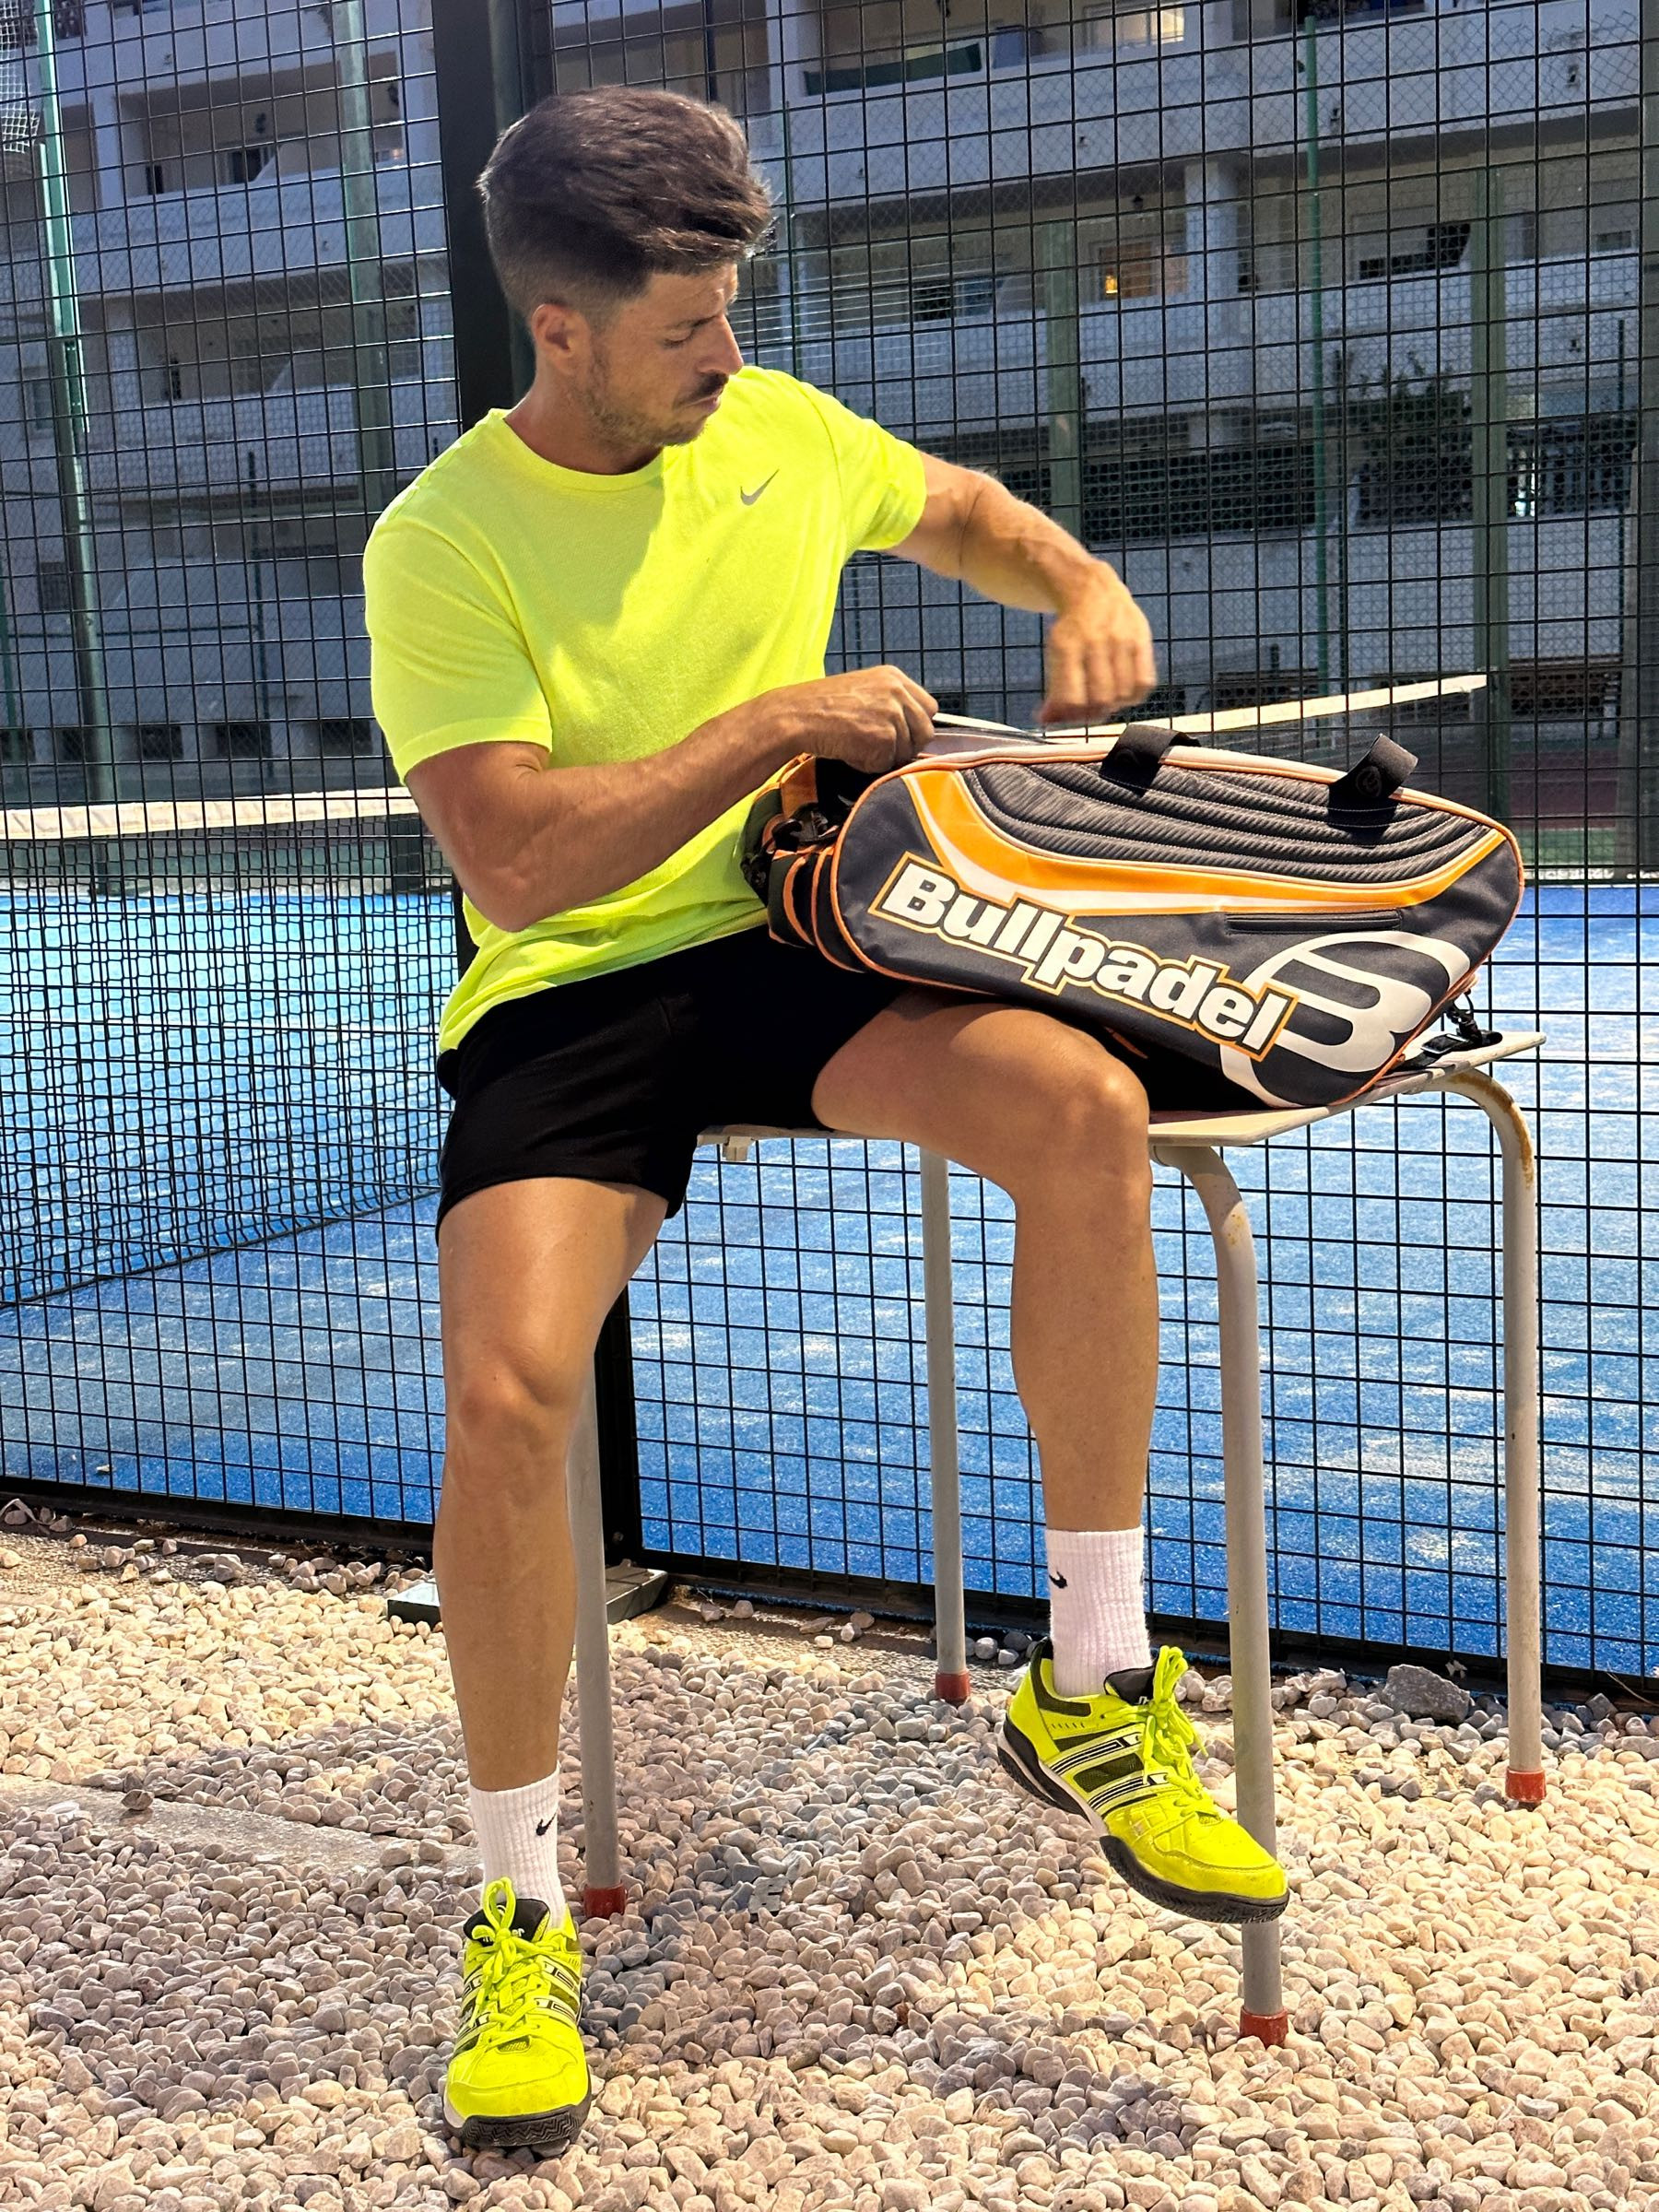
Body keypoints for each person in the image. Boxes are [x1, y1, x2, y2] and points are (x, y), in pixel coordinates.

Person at [361, 81, 1288, 2156]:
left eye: (731, 310)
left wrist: (1072, 580)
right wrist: (777, 714)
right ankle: (518, 1915)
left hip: (802, 939)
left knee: (1078, 1105)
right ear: (561, 329)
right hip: (574, 986)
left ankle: (1091, 1679)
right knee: (507, 1398)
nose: (729, 353)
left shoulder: (774, 427)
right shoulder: (440, 539)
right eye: (686, 325)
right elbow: (520, 864)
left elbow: (955, 507)